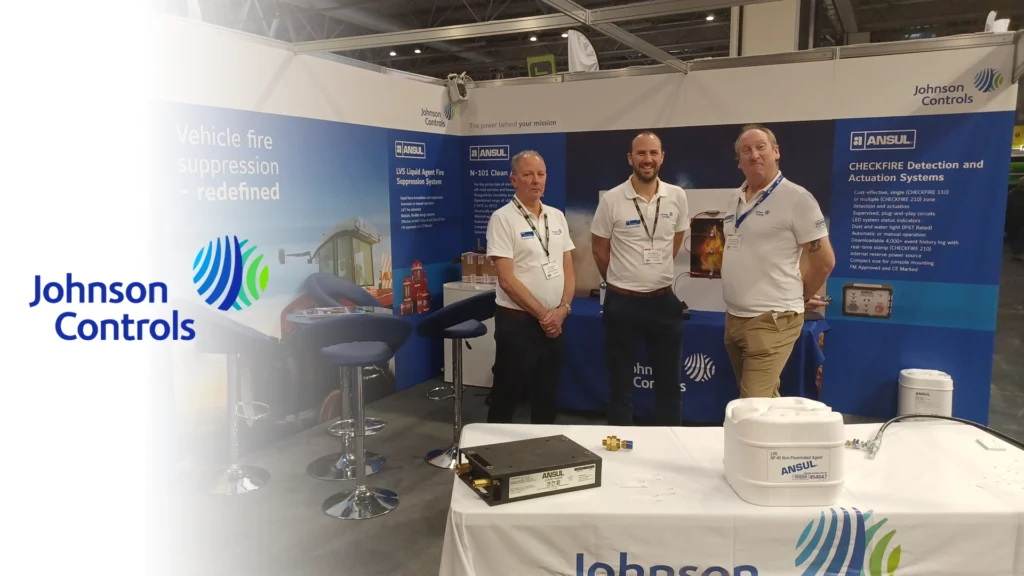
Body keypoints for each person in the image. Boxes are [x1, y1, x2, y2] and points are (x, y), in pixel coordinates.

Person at [721, 124, 835, 398]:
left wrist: (799, 297)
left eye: (761, 147)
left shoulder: (797, 198)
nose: (754, 155)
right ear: (739, 162)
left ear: (776, 152)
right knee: (763, 401)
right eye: (746, 150)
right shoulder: (735, 199)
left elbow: (824, 261)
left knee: (752, 405)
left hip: (772, 320)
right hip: (735, 317)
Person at [591, 131, 690, 426]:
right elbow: (599, 250)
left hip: (663, 301)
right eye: (641, 153)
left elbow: (676, 240)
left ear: (662, 157)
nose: (647, 159)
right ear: (630, 158)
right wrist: (621, 280)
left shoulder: (677, 196)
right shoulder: (612, 199)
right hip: (623, 303)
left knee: (669, 385)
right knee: (620, 385)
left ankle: (671, 442)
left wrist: (653, 270)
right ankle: (621, 445)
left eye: (653, 153)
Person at [485, 150, 576, 423]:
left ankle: (543, 445)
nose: (536, 180)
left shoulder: (556, 217)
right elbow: (507, 280)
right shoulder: (502, 218)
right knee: (507, 395)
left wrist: (563, 309)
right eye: (528, 174)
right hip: (518, 323)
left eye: (541, 174)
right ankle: (494, 446)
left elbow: (568, 268)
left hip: (555, 322)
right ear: (513, 180)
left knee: (548, 395)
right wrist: (545, 316)